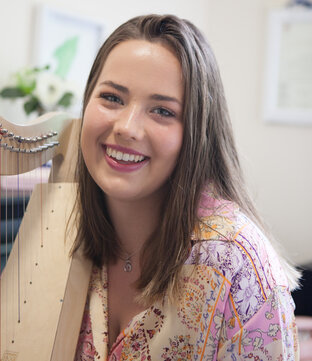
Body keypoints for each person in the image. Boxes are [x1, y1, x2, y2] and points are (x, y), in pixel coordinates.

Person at [71, 14, 300, 360]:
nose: (127, 128)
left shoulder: (238, 266)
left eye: (162, 110)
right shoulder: (62, 225)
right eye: (112, 98)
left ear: (196, 133)